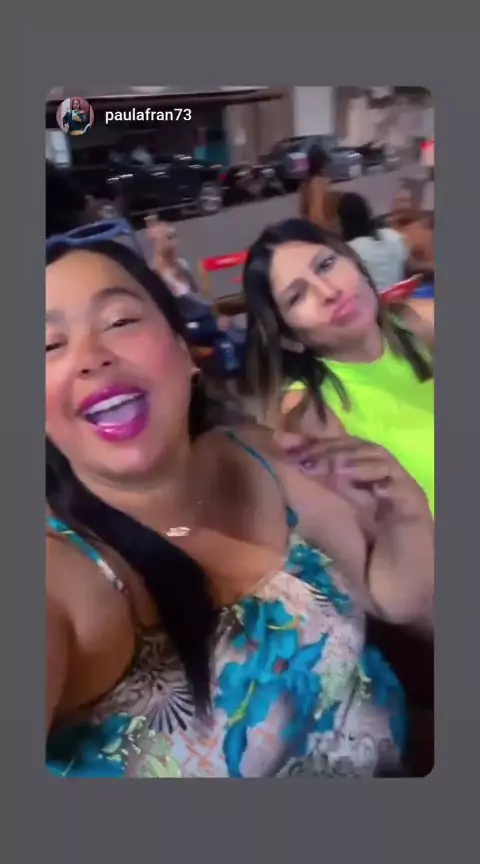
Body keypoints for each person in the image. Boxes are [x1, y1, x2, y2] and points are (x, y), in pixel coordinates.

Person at [46, 236, 433, 778]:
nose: (92, 357)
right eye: (48, 346)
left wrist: (405, 515)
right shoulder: (56, 574)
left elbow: (391, 596)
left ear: (185, 352)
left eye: (119, 321)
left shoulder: (261, 454)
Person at [241, 218, 434, 515]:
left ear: (354, 261)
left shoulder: (419, 323)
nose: (328, 291)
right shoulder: (308, 413)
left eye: (326, 264)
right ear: (288, 336)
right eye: (297, 296)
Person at [337, 192, 409, 293]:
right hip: (400, 297)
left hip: (374, 300)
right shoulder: (394, 236)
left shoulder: (350, 250)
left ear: (342, 221)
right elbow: (407, 271)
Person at [298, 145, 342, 232]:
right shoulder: (320, 183)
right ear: (322, 167)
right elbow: (318, 216)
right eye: (327, 164)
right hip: (321, 231)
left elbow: (303, 212)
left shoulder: (305, 184)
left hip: (309, 230)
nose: (329, 168)